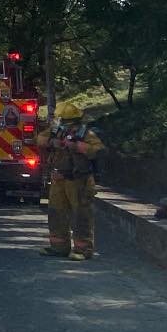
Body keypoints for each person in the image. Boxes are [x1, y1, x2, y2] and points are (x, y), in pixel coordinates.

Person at [37, 101, 106, 261]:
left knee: (81, 215)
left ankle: (83, 250)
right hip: (59, 180)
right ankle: (59, 247)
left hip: (79, 181)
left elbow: (99, 150)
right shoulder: (56, 131)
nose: (63, 124)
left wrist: (78, 146)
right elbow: (40, 138)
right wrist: (51, 142)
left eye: (64, 121)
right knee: (56, 213)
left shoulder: (86, 134)